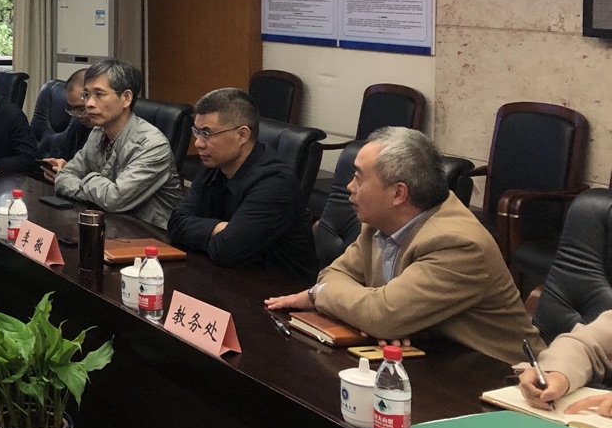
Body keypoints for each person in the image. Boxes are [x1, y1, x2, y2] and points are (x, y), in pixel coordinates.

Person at [266, 128, 539, 365]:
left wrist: (318, 295)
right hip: (430, 360)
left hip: (501, 380)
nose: (349, 187)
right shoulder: (378, 223)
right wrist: (370, 313)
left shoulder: (458, 244)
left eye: (359, 178)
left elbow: (381, 316)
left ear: (398, 193)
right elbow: (332, 275)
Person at [167, 87, 318, 284]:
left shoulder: (275, 183)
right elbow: (175, 223)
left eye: (207, 133)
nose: (198, 143)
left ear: (242, 135)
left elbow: (227, 252)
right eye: (197, 132)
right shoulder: (214, 165)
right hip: (226, 278)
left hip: (278, 289)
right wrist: (219, 228)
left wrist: (210, 232)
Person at [49, 60, 179, 225]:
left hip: (149, 234)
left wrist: (86, 179)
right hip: (110, 224)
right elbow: (63, 178)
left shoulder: (153, 145)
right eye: (87, 95)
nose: (89, 103)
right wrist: (100, 190)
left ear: (126, 98)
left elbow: (113, 199)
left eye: (99, 94)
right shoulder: (98, 132)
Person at [37, 68, 94, 176]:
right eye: (72, 109)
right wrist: (64, 167)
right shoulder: (77, 126)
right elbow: (68, 160)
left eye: (81, 109)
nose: (78, 115)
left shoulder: (108, 133)